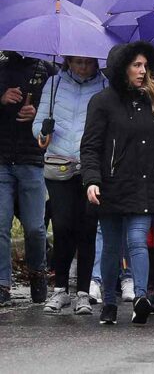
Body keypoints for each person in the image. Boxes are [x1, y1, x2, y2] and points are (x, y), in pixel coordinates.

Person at [79, 42, 154, 325]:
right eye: (136, 66)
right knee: (111, 247)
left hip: (143, 185)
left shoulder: (151, 102)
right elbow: (90, 147)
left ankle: (141, 298)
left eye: (145, 66)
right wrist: (92, 181)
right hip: (112, 185)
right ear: (123, 69)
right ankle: (108, 303)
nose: (143, 71)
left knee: (138, 240)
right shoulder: (102, 102)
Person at [34, 56, 107, 316]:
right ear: (68, 62)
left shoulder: (104, 87)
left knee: (88, 227)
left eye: (87, 62)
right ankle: (60, 289)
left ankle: (83, 293)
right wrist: (44, 132)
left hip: (90, 166)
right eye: (77, 62)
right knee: (63, 225)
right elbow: (37, 126)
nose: (83, 67)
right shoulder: (54, 84)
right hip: (58, 164)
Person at [0, 51, 54, 307]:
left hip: (32, 158)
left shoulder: (46, 70)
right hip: (2, 159)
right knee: (1, 225)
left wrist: (38, 114)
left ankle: (37, 272)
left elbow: (56, 113)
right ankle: (2, 283)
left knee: (35, 227)